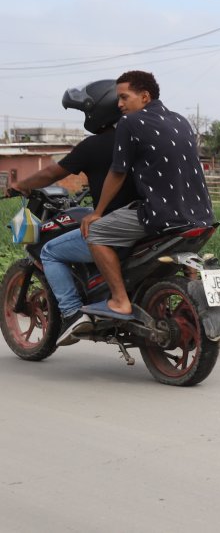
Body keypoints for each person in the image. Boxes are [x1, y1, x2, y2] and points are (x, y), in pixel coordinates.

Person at [6, 79, 139, 344]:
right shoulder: (138, 136)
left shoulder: (94, 145)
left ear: (98, 110)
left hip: (118, 225)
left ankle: (71, 314)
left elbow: (51, 173)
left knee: (50, 251)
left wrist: (20, 185)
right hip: (146, 218)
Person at [80, 70, 213, 320]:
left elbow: (118, 172)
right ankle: (190, 284)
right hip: (202, 215)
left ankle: (120, 300)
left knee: (96, 233)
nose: (119, 105)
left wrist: (97, 213)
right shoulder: (181, 120)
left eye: (124, 97)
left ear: (144, 96)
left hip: (162, 215)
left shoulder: (131, 123)